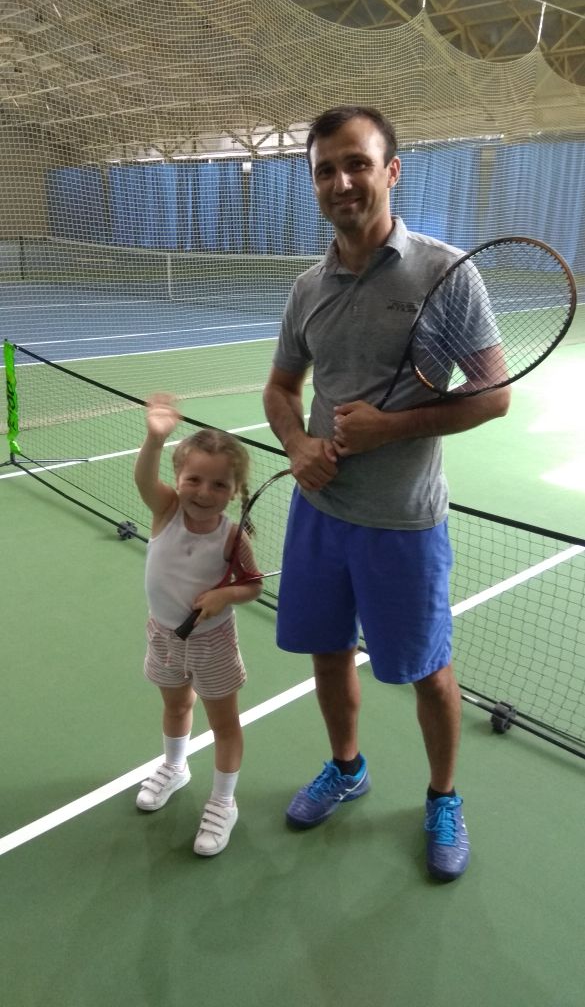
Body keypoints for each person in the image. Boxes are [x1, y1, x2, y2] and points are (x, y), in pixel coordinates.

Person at [262, 105, 510, 881]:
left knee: (427, 672)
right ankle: (346, 768)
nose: (341, 182)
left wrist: (390, 428)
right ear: (313, 183)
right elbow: (280, 387)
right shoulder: (308, 287)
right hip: (319, 515)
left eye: (356, 164)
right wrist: (298, 444)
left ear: (390, 170)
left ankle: (442, 796)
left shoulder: (443, 273)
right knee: (328, 653)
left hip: (402, 523)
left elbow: (494, 394)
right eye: (325, 170)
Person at [134, 394, 261, 856]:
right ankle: (175, 767)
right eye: (194, 480)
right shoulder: (166, 511)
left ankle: (224, 801)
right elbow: (143, 478)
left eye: (219, 484)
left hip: (212, 643)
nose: (204, 493)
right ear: (178, 479)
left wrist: (225, 595)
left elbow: (252, 585)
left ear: (235, 490)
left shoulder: (232, 537)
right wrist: (155, 439)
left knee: (224, 723)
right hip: (164, 635)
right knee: (175, 707)